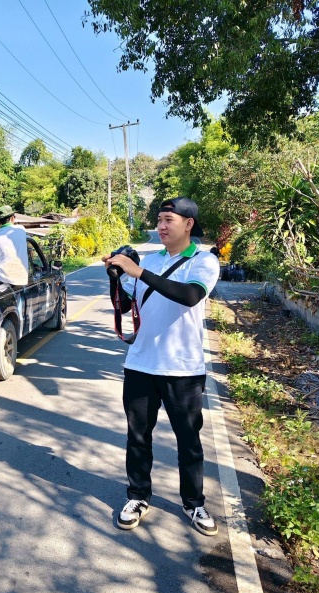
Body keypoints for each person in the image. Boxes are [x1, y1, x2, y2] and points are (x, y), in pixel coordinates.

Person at [103, 196, 220, 536]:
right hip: (141, 364)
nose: (161, 226)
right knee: (138, 436)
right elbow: (125, 306)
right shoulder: (151, 259)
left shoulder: (203, 260)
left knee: (188, 440)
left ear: (189, 224)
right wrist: (115, 276)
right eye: (159, 220)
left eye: (169, 220)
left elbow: (190, 296)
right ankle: (137, 496)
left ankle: (194, 503)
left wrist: (137, 271)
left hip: (183, 369)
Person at [0, 205, 29, 288]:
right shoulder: (21, 229)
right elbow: (7, 228)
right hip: (22, 277)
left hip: (5, 277)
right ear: (12, 218)